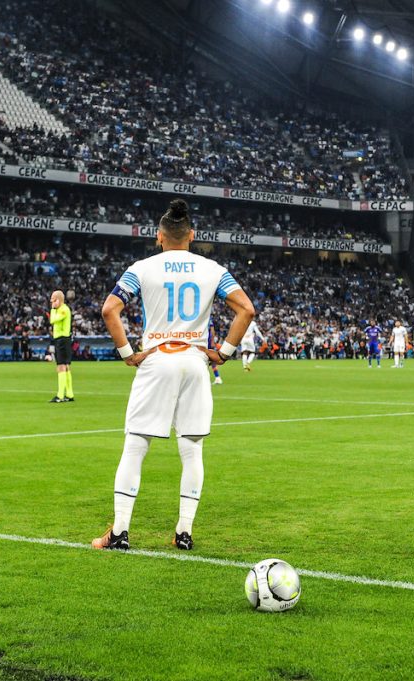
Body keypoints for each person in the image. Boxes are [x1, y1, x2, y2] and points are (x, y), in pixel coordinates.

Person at [92, 199, 255, 551]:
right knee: (192, 450)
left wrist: (127, 354)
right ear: (192, 236)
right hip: (195, 360)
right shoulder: (213, 269)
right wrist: (224, 353)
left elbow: (110, 309)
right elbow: (246, 309)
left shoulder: (142, 267)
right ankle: (184, 533)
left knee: (136, 447)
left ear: (159, 236)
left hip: (158, 357)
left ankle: (119, 532)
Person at [48, 290, 75, 403]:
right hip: (62, 340)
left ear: (58, 300)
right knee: (66, 366)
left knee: (61, 366)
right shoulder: (63, 309)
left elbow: (52, 320)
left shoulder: (63, 309)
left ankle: (60, 395)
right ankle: (69, 394)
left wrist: (53, 309)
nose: (52, 303)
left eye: (53, 300)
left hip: (62, 340)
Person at [208, 318, 223, 384]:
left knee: (210, 361)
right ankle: (217, 378)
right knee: (211, 362)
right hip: (206, 341)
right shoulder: (208, 318)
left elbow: (212, 330)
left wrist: (212, 341)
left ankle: (217, 378)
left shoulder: (207, 318)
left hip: (206, 341)